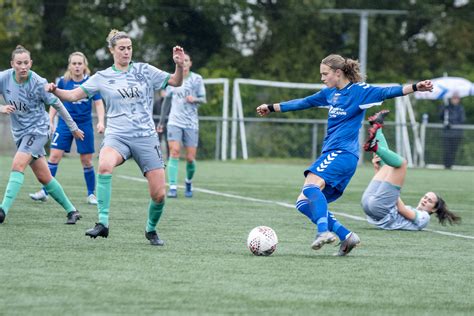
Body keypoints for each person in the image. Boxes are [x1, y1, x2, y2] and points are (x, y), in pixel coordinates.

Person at [256, 54, 433, 256]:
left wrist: (417, 87)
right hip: (334, 153)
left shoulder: (359, 92)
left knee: (312, 184)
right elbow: (302, 102)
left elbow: (389, 91)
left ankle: (323, 231)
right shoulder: (329, 93)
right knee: (303, 202)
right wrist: (271, 108)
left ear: (338, 73)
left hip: (343, 153)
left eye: (325, 74)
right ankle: (347, 236)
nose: (322, 78)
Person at [45, 29, 185, 246]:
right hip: (117, 136)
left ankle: (151, 230)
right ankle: (102, 223)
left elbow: (176, 82)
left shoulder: (144, 70)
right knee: (104, 165)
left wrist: (179, 64)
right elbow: (73, 96)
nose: (126, 52)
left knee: (159, 195)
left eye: (129, 48)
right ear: (112, 50)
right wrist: (55, 91)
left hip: (145, 138)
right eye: (122, 48)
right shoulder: (101, 77)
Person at [0, 45, 84, 224]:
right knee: (44, 177)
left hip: (38, 130)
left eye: (26, 63)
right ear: (12, 64)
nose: (23, 66)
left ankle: (2, 211)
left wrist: (73, 127)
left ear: (30, 63)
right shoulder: (4, 78)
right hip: (20, 133)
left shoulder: (39, 83)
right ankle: (72, 211)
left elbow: (58, 105)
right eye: (19, 63)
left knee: (17, 165)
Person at [362, 110, 461, 230]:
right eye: (425, 197)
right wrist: (378, 170)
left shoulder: (425, 218)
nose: (425, 200)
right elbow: (389, 198)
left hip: (378, 209)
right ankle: (377, 127)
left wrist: (393, 189)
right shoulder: (413, 209)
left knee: (402, 163)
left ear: (434, 209)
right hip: (370, 204)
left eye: (429, 201)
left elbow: (401, 209)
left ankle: (375, 145)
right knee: (389, 165)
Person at [29, 52, 105, 205]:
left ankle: (91, 194)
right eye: (74, 63)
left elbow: (98, 103)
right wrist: (50, 120)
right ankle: (45, 191)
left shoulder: (90, 82)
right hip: (64, 124)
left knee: (86, 161)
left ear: (85, 65)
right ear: (70, 66)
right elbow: (54, 101)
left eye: (80, 63)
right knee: (54, 156)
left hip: (84, 125)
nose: (77, 66)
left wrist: (101, 121)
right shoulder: (62, 82)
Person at [165, 52, 206, 198]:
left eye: (186, 60)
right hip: (174, 121)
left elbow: (203, 99)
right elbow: (166, 100)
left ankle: (188, 182)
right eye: (182, 60)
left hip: (191, 123)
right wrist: (160, 121)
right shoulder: (173, 78)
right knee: (174, 152)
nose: (184, 62)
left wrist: (194, 99)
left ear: (190, 63)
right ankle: (173, 187)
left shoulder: (197, 79)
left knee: (190, 158)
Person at [439, 93, 466, 169]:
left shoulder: (461, 108)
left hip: (456, 133)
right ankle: (446, 165)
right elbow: (441, 117)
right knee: (446, 150)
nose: (455, 100)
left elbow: (462, 119)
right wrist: (444, 108)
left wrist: (452, 123)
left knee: (453, 151)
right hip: (447, 133)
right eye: (454, 98)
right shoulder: (446, 107)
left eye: (456, 98)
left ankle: (450, 165)